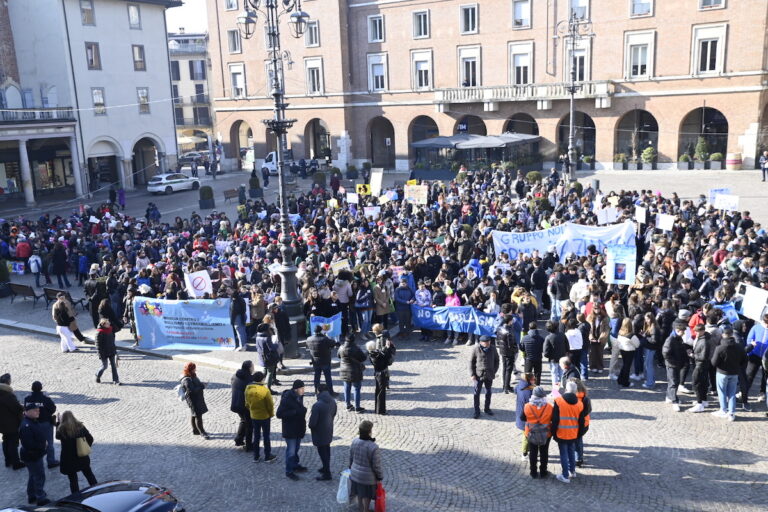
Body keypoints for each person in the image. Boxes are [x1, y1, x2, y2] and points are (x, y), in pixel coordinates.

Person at [551, 380, 585, 484]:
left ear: (566, 390)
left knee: (563, 454)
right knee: (571, 452)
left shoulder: (559, 401)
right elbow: (581, 422)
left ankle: (565, 475)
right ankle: (572, 471)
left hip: (561, 432)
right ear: (576, 391)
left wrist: (553, 432)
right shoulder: (580, 404)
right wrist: (579, 434)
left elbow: (555, 419)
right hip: (573, 433)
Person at [55, 410, 97, 494]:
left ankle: (76, 496)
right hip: (82, 456)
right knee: (89, 475)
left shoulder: (62, 429)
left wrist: (58, 423)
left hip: (69, 459)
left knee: (73, 480)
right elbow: (90, 438)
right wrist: (86, 446)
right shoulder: (80, 426)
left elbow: (57, 437)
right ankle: (97, 489)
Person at [276, 380, 308, 481]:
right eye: (302, 388)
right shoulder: (286, 399)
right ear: (296, 389)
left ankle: (295, 465)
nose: (304, 390)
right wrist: (294, 412)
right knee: (291, 451)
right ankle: (289, 471)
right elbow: (279, 414)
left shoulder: (299, 396)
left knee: (296, 449)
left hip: (298, 428)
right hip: (290, 430)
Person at [348, 420, 383, 512]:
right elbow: (376, 465)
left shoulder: (354, 441)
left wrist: (350, 467)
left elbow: (351, 458)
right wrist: (379, 476)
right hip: (367, 478)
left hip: (355, 474)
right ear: (369, 432)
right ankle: (365, 510)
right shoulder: (373, 447)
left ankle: (360, 508)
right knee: (366, 495)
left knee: (360, 493)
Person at [19, 403, 50, 506]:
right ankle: (40, 498)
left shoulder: (31, 421)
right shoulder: (26, 425)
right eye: (35, 410)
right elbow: (29, 444)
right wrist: (43, 445)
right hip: (33, 455)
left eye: (38, 410)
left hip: (33, 455)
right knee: (39, 476)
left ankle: (32, 495)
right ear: (27, 411)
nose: (38, 412)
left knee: (33, 475)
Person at [711, 333, 746, 421]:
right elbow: (745, 360)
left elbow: (714, 363)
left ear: (723, 335)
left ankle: (723, 410)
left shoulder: (719, 348)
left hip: (722, 373)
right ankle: (731, 413)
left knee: (722, 392)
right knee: (732, 393)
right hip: (734, 373)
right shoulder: (739, 347)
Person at [23, 382, 58, 469]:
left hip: (32, 423)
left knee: (35, 442)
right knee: (49, 442)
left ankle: (38, 460)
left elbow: (26, 409)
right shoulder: (45, 398)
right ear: (41, 388)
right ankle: (51, 461)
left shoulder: (27, 398)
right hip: (45, 423)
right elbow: (53, 408)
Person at [520, 386, 553, 479]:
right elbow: (553, 419)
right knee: (544, 452)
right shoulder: (549, 407)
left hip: (531, 432)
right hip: (546, 433)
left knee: (533, 452)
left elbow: (522, 418)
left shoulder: (527, 406)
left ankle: (533, 472)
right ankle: (543, 471)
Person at [244, 371, 277, 463]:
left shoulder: (248, 388)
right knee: (266, 436)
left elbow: (246, 403)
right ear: (262, 379)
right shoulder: (265, 390)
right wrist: (271, 414)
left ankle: (256, 456)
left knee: (256, 436)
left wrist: (252, 410)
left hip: (254, 416)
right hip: (265, 417)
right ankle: (267, 456)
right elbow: (270, 405)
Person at [308, 384, 337, 481]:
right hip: (328, 429)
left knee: (322, 452)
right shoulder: (333, 401)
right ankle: (325, 467)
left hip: (319, 433)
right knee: (327, 450)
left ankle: (327, 473)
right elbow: (333, 414)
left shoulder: (317, 405)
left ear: (318, 391)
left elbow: (312, 423)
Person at [469, 335, 499, 419]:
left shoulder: (493, 348)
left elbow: (497, 360)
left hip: (489, 374)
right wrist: (472, 374)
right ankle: (476, 411)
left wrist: (494, 371)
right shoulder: (476, 349)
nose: (488, 343)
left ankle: (487, 408)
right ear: (481, 342)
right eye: (486, 342)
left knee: (488, 392)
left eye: (489, 342)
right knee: (476, 393)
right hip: (478, 375)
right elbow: (471, 362)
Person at [0, 373, 25, 470]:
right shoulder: (8, 395)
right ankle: (15, 462)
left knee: (5, 440)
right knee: (13, 443)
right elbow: (16, 408)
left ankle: (8, 460)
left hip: (2, 423)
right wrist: (23, 408)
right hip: (11, 424)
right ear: (7, 382)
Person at [663, 321, 689, 412]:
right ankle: (674, 401)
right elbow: (665, 353)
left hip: (676, 364)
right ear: (678, 330)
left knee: (673, 381)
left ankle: (669, 397)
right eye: (683, 331)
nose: (684, 333)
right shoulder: (671, 339)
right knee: (674, 382)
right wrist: (673, 362)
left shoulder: (678, 338)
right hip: (672, 365)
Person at [689, 325, 715, 413]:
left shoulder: (704, 341)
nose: (695, 333)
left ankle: (699, 404)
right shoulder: (703, 338)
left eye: (697, 331)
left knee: (697, 383)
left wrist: (693, 355)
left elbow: (703, 356)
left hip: (700, 365)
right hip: (702, 365)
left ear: (702, 331)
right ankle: (703, 401)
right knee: (703, 383)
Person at [180, 362, 210, 439]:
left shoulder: (192, 375)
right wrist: (202, 386)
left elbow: (196, 384)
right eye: (194, 369)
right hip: (193, 400)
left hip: (197, 398)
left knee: (194, 414)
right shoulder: (186, 379)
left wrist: (202, 384)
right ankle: (202, 432)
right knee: (198, 415)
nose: (195, 370)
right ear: (190, 369)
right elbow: (191, 390)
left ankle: (195, 430)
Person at [338, 334, 367, 413]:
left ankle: (348, 405)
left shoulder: (341, 347)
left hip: (344, 370)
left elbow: (338, 356)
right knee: (356, 389)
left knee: (347, 389)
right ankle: (357, 407)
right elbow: (363, 358)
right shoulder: (356, 348)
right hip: (355, 371)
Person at [306, 325, 338, 395]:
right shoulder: (324, 339)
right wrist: (326, 336)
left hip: (315, 362)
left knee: (317, 377)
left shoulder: (309, 339)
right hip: (325, 361)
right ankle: (330, 392)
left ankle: (316, 391)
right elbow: (333, 343)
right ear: (321, 331)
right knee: (328, 378)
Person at [367, 338, 394, 415]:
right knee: (381, 392)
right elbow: (385, 357)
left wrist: (386, 347)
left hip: (378, 373)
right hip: (381, 374)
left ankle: (378, 409)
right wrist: (388, 348)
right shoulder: (375, 355)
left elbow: (382, 354)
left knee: (379, 391)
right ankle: (381, 410)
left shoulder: (373, 354)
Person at [231, 360, 254, 450]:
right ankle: (248, 445)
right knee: (249, 425)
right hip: (244, 406)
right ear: (249, 368)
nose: (253, 368)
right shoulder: (249, 380)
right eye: (252, 367)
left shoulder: (235, 376)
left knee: (243, 420)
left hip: (235, 403)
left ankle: (238, 439)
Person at [254, 319, 280, 395]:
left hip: (261, 357)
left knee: (264, 372)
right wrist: (276, 344)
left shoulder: (257, 337)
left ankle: (258, 385)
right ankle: (268, 389)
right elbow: (272, 348)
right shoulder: (267, 338)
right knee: (270, 372)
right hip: (269, 358)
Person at [514, 373, 536, 460]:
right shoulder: (530, 391)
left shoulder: (519, 386)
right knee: (527, 436)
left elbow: (516, 390)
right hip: (526, 417)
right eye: (533, 379)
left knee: (526, 435)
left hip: (520, 413)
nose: (534, 380)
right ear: (529, 380)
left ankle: (527, 451)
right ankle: (524, 453)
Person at [614, 318, 641, 388]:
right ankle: (625, 382)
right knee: (627, 367)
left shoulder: (620, 333)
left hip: (622, 350)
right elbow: (637, 344)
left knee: (624, 365)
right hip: (630, 351)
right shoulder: (631, 335)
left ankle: (620, 379)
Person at [497, 314, 520, 393]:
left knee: (504, 368)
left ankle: (505, 386)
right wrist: (515, 351)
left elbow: (498, 340)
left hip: (502, 351)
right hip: (509, 353)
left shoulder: (500, 328)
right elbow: (511, 344)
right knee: (508, 370)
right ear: (510, 321)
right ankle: (506, 387)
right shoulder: (509, 331)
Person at [543, 320, 568, 392]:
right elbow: (567, 346)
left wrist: (549, 356)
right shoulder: (563, 335)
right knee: (562, 373)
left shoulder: (548, 337)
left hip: (553, 359)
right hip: (562, 358)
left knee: (554, 374)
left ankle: (555, 389)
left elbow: (546, 352)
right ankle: (563, 387)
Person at [572, 379, 592, 467]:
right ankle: (579, 458)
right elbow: (588, 410)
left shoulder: (571, 398)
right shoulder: (585, 398)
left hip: (572, 423)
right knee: (579, 440)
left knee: (574, 441)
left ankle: (575, 457)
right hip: (584, 423)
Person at [94, 318, 119, 385]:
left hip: (111, 350)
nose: (109, 324)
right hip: (103, 352)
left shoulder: (110, 329)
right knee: (104, 366)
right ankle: (97, 375)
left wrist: (114, 350)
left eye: (109, 323)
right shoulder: (99, 332)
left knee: (113, 366)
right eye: (108, 323)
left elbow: (117, 329)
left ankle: (115, 380)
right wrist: (100, 354)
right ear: (103, 325)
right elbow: (98, 345)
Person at [230, 286, 248, 351]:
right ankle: (245, 344)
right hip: (243, 315)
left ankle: (242, 346)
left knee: (239, 332)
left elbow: (233, 313)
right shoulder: (241, 299)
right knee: (243, 331)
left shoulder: (234, 302)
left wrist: (232, 321)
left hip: (238, 318)